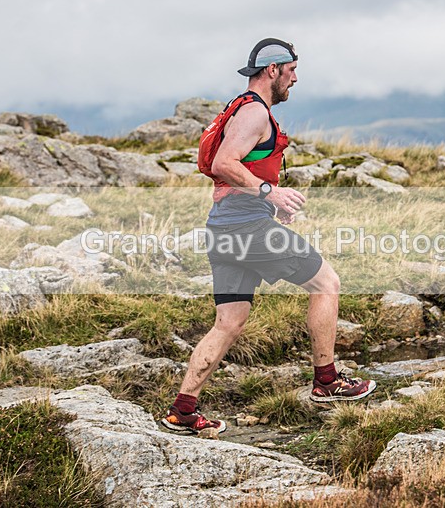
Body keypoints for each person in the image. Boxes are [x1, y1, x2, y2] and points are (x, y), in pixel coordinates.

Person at [162, 38, 377, 434]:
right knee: (327, 283)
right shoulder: (254, 113)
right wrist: (269, 193)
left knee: (229, 321)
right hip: (247, 230)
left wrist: (269, 203)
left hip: (224, 229)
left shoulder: (241, 109)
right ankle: (327, 382)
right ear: (272, 70)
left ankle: (183, 410)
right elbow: (225, 163)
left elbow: (235, 168)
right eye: (291, 70)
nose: (295, 78)